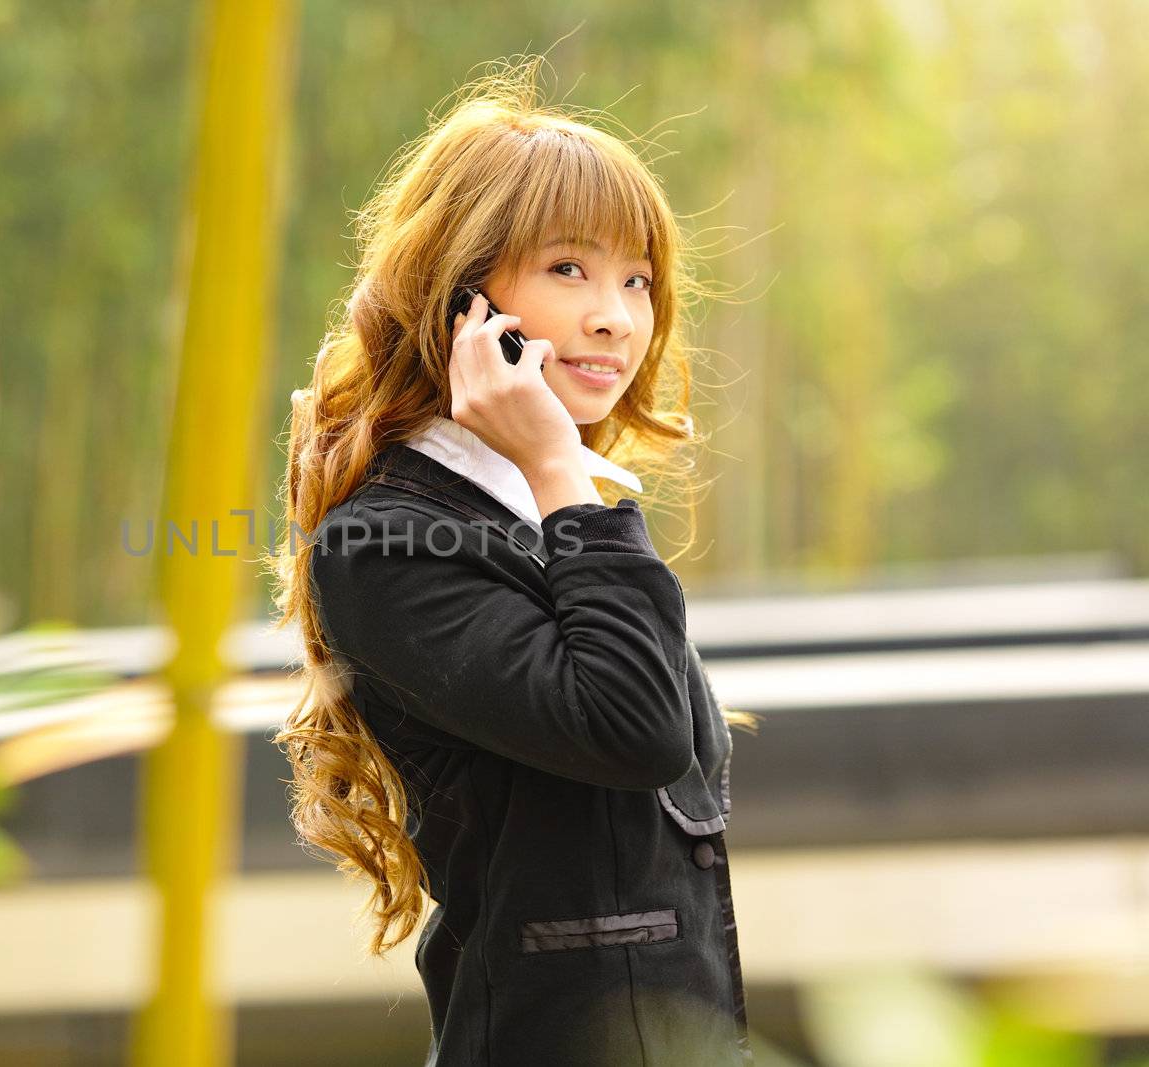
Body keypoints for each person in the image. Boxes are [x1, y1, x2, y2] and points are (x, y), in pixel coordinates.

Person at [265, 57, 759, 1066]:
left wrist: (558, 479)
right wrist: (553, 467)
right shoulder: (387, 539)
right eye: (569, 269)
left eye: (638, 279)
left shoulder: (561, 503)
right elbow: (634, 730)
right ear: (462, 300)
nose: (616, 315)